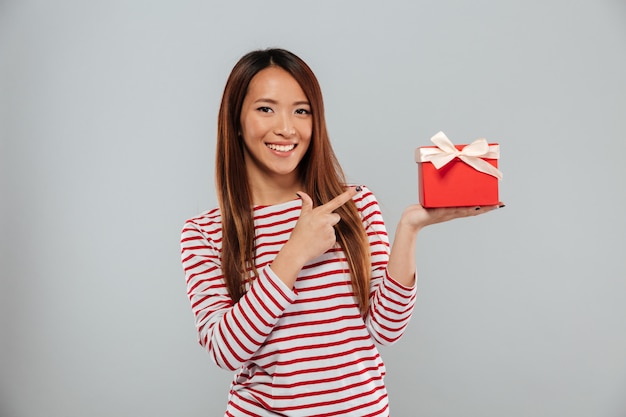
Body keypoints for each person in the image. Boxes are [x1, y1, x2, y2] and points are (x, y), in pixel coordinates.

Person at [180, 48, 502, 417]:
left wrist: (409, 229)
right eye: (266, 108)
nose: (286, 127)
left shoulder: (355, 204)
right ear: (236, 120)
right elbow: (225, 350)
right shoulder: (204, 233)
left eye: (302, 111)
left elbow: (386, 329)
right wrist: (294, 253)